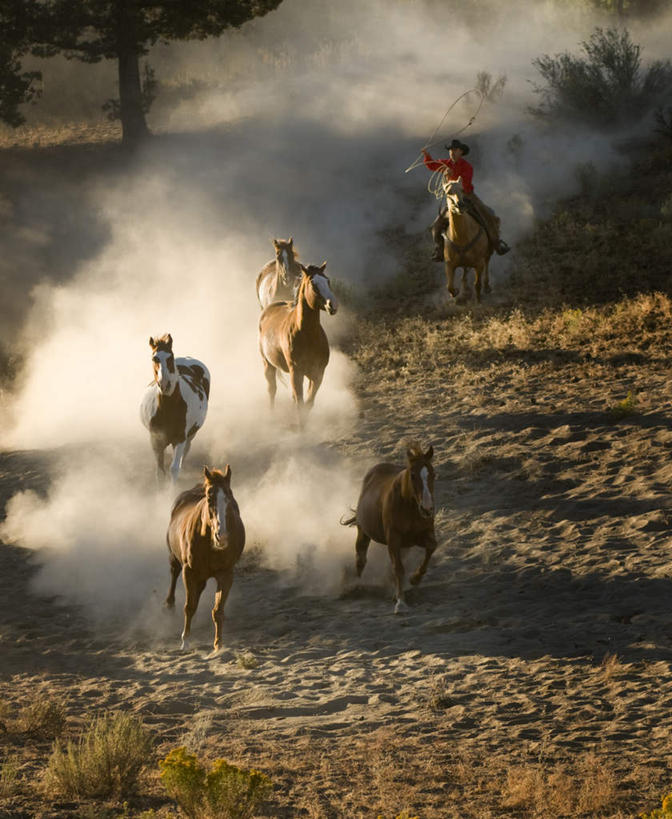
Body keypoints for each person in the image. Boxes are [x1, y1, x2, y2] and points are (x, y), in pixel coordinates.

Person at [422, 139, 510, 261]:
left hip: (468, 196)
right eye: (451, 150)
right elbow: (432, 165)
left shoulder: (467, 167)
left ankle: (496, 244)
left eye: (455, 150)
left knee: (488, 215)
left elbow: (465, 183)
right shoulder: (445, 164)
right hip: (452, 198)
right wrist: (426, 155)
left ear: (461, 152)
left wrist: (451, 177)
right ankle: (439, 249)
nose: (452, 152)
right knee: (436, 225)